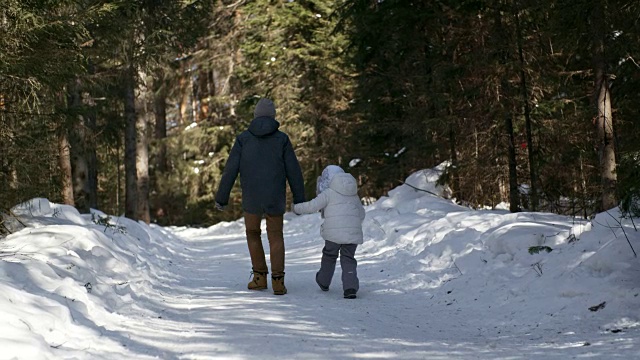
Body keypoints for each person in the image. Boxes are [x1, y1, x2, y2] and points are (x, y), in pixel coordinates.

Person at [215, 98, 305, 295]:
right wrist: (300, 199)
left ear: (255, 116)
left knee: (252, 233)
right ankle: (278, 282)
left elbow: (230, 170)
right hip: (275, 197)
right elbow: (294, 171)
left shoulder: (243, 139)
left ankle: (259, 277)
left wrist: (222, 197)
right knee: (276, 235)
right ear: (273, 117)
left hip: (252, 198)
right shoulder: (282, 139)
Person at [293, 165, 365, 299]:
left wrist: (296, 208)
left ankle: (324, 281)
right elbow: (361, 214)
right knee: (348, 258)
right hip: (352, 233)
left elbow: (311, 206)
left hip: (333, 233)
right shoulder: (353, 195)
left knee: (329, 255)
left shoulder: (328, 193)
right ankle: (350, 288)